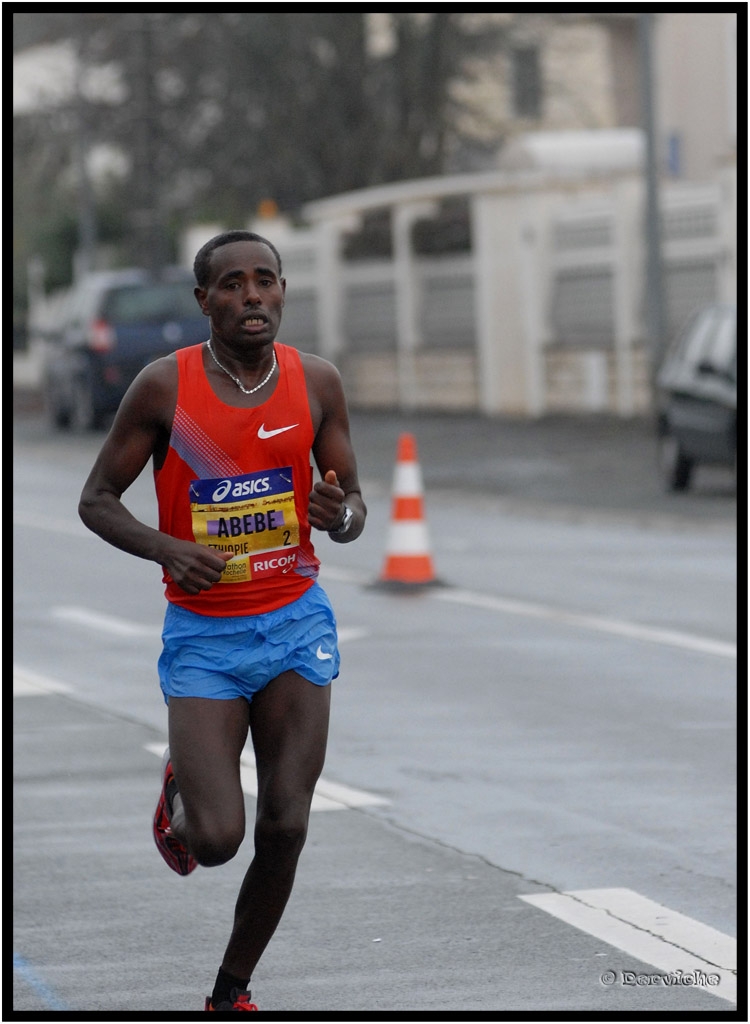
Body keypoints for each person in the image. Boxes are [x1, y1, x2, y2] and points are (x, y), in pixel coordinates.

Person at [78, 230, 366, 1012]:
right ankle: (182, 792)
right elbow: (96, 500)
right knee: (215, 840)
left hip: (295, 624)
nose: (251, 297)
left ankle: (230, 989)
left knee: (286, 823)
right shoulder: (162, 390)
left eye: (265, 281)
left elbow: (354, 507)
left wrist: (340, 515)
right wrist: (167, 547)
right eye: (232, 285)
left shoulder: (316, 383)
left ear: (282, 291)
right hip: (205, 637)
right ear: (203, 301)